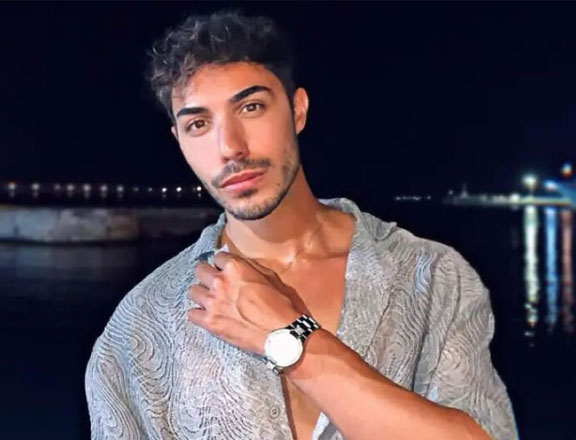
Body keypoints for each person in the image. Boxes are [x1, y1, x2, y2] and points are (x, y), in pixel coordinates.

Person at [85, 10, 517, 440]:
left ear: (297, 110)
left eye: (251, 107)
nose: (230, 147)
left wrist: (293, 340)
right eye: (198, 124)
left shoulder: (433, 278)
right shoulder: (138, 328)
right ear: (179, 141)